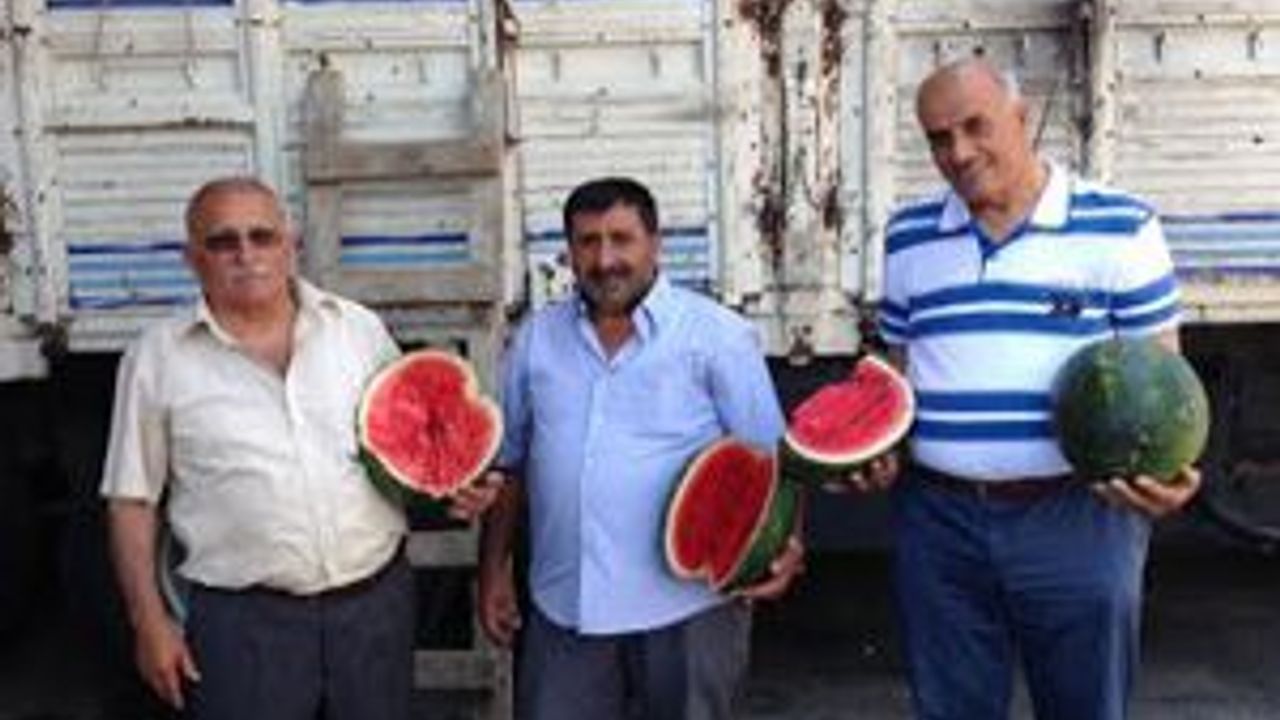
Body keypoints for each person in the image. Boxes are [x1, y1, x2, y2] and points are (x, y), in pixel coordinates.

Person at [849, 58, 1202, 719]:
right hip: (939, 520)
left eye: (975, 126)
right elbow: (898, 366)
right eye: (938, 138)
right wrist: (874, 450)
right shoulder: (907, 236)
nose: (958, 152)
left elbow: (1165, 385)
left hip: (1076, 517)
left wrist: (1173, 474)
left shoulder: (1122, 226)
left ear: (1022, 116)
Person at [100, 176, 497, 720]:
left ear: (291, 245)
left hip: (373, 609)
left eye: (262, 236)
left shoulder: (356, 330)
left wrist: (452, 491)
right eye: (223, 241)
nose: (246, 255)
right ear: (191, 259)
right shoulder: (156, 358)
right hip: (244, 625)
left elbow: (402, 453)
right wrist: (148, 623)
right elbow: (131, 501)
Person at [477, 177, 802, 719]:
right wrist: (493, 571)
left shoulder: (718, 336)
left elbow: (772, 463)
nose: (605, 260)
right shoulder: (536, 338)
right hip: (564, 605)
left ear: (655, 244)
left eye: (621, 239)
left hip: (689, 608)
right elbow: (509, 464)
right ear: (569, 252)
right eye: (588, 242)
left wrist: (788, 542)